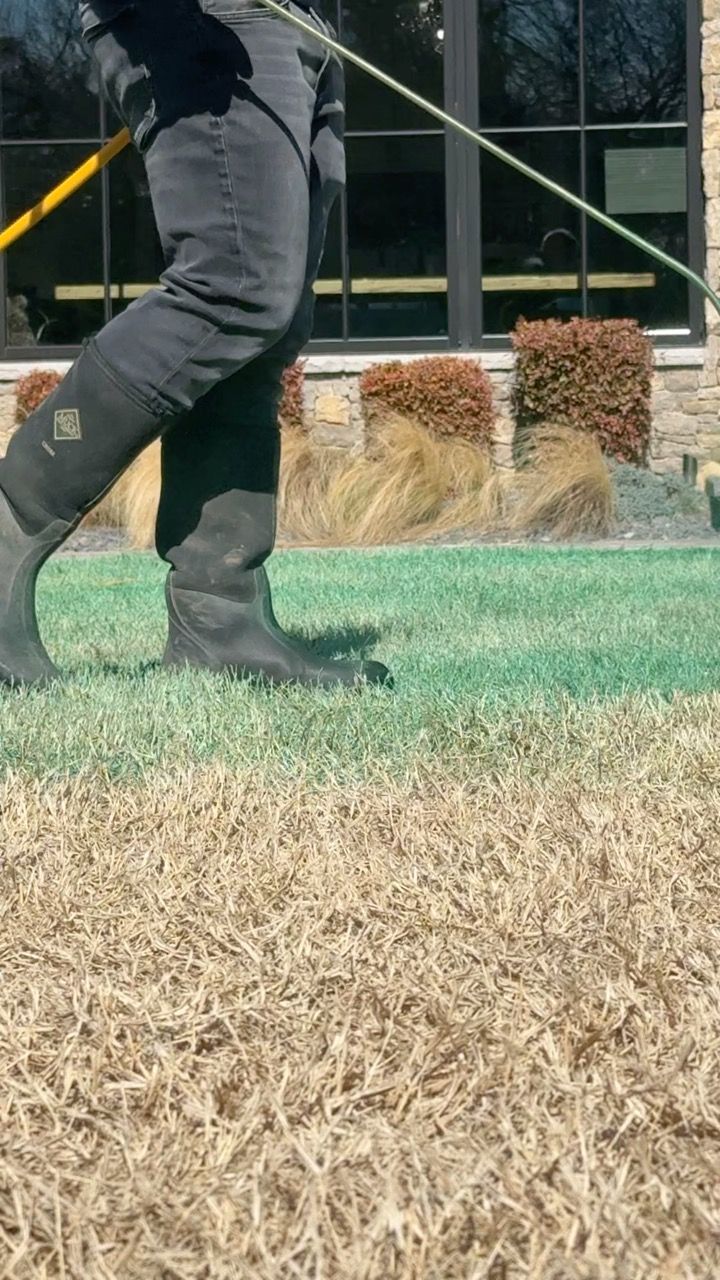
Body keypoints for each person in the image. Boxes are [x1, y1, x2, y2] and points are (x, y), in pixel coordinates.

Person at [0, 0, 392, 691]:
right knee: (232, 286)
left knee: (267, 322)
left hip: (297, 27)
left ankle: (221, 615)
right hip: (208, 18)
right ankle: (10, 518)